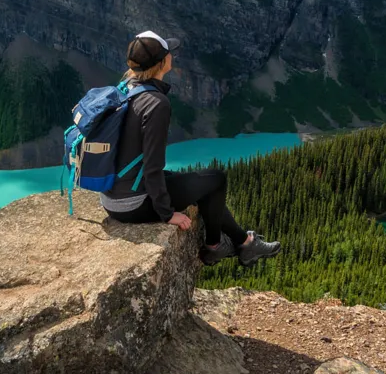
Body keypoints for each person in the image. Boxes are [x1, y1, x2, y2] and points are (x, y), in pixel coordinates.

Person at [101, 30, 281, 266]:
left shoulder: (125, 88)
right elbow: (153, 165)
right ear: (162, 62)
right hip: (133, 203)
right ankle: (215, 246)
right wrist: (167, 214)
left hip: (111, 198)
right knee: (217, 178)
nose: (172, 57)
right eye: (169, 53)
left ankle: (244, 243)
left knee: (197, 183)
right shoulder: (156, 104)